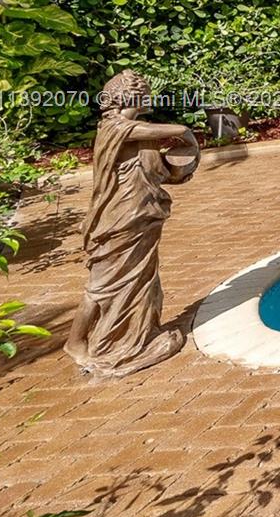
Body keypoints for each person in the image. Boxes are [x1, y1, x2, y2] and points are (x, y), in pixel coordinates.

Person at [66, 70, 199, 376]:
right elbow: (157, 131)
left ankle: (139, 336)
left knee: (139, 279)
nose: (149, 97)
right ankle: (77, 343)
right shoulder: (114, 128)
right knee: (104, 284)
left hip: (142, 216)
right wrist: (185, 131)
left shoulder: (138, 134)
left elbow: (160, 171)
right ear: (133, 97)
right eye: (145, 93)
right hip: (119, 219)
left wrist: (181, 165)